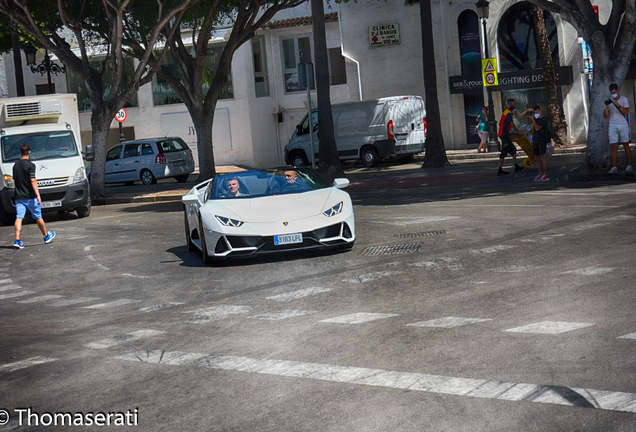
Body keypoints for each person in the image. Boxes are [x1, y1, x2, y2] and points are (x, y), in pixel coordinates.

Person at [12, 143, 55, 249]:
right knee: (38, 217)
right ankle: (46, 236)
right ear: (29, 152)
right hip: (30, 197)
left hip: (19, 197)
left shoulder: (15, 165)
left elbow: (15, 180)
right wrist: (38, 195)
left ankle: (17, 239)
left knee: (19, 217)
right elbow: (33, 180)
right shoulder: (31, 165)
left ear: (20, 152)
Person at [603, 83, 632, 173]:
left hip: (623, 124)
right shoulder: (609, 100)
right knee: (613, 146)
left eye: (614, 93)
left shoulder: (624, 99)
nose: (613, 95)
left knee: (626, 145)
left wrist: (618, 105)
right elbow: (605, 116)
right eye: (611, 93)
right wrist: (606, 107)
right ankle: (614, 167)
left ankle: (629, 165)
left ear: (617, 90)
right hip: (612, 125)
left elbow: (626, 112)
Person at [497, 98, 524, 176]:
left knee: (513, 149)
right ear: (507, 105)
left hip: (504, 134)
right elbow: (511, 123)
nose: (513, 105)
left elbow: (500, 123)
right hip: (504, 135)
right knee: (504, 152)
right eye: (511, 104)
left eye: (513, 104)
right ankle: (499, 170)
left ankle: (516, 166)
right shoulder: (508, 113)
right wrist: (517, 131)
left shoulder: (506, 112)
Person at [524, 106, 550, 182]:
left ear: (540, 111)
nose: (535, 114)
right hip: (535, 140)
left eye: (537, 112)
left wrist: (533, 120)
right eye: (534, 112)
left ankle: (545, 174)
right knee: (536, 158)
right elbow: (523, 115)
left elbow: (537, 128)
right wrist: (527, 110)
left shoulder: (544, 119)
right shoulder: (534, 118)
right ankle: (540, 174)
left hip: (542, 140)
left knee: (542, 157)